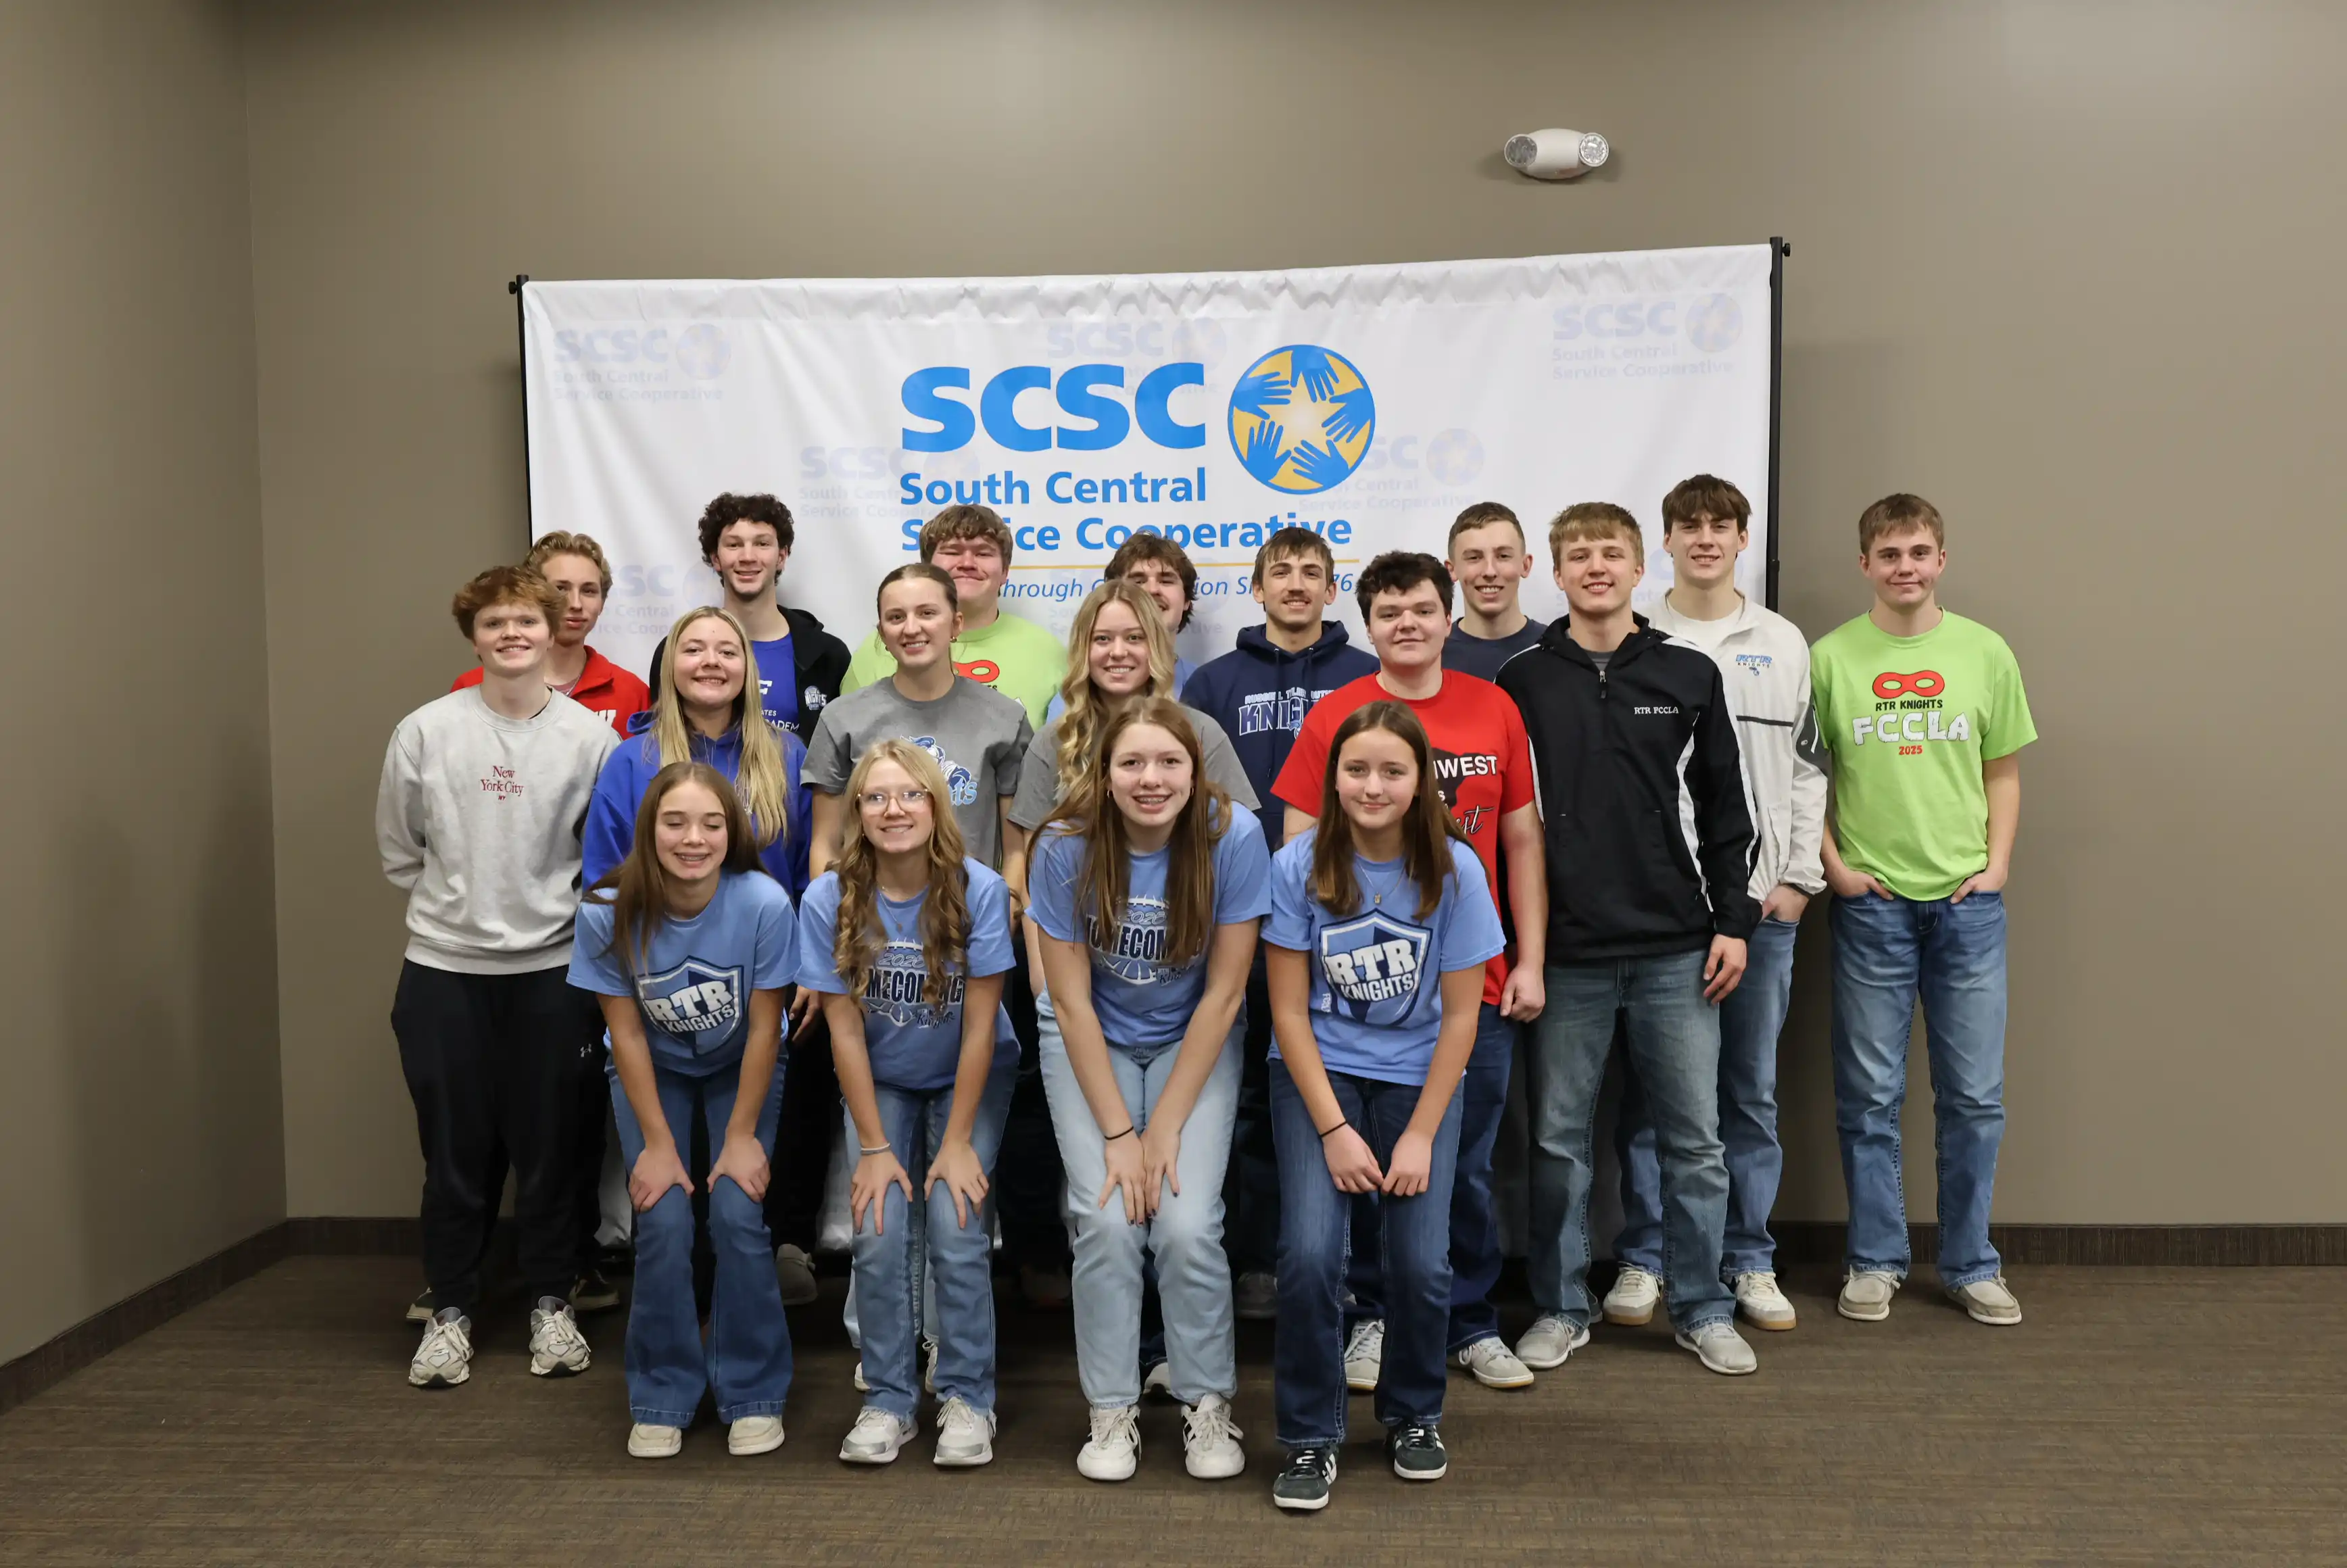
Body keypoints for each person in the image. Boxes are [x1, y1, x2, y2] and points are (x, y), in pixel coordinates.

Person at [1495, 502, 1762, 1378]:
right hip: (1564, 955)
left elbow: (1729, 813)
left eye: (1611, 553)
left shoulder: (1688, 673)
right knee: (1557, 1145)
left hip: (1678, 951)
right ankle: (1562, 1308)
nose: (1596, 567)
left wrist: (1733, 923)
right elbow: (1508, 823)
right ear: (1558, 574)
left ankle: (1703, 1306)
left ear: (1639, 567)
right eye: (1579, 556)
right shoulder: (1522, 680)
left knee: (1694, 1142)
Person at [1271, 553, 1545, 1394]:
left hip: (1466, 987)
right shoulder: (1336, 715)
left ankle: (1464, 1321)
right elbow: (1298, 846)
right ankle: (1369, 1322)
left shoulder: (1493, 704)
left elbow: (1523, 839)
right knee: (1345, 1194)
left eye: (1423, 609)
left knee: (1455, 1172)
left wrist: (1528, 958)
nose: (1408, 625)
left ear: (1446, 613)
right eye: (1389, 612)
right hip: (1345, 1008)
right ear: (1367, 622)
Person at [376, 564, 616, 1390]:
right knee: (452, 1151)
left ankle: (553, 1301)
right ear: (473, 637)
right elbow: (400, 850)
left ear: (554, 631)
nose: (512, 634)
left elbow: (604, 857)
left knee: (550, 1146)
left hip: (554, 972)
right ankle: (451, 1309)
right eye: (494, 624)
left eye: (527, 621)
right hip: (445, 971)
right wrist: (466, 911)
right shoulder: (425, 732)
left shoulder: (590, 737)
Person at [1262, 702, 1505, 1513]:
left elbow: (1464, 1017)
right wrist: (1332, 1129)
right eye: (1357, 769)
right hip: (1317, 1079)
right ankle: (1308, 1434)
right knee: (1307, 1257)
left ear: (1419, 781)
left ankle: (1412, 1413)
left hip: (1417, 1083)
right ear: (1333, 779)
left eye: (1392, 770)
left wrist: (1423, 1136)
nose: (1373, 785)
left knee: (1421, 1264)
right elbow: (1289, 1013)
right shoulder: (1298, 863)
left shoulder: (1456, 870)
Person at [1028, 700, 1268, 1484]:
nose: (1150, 778)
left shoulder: (1231, 836)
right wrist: (1119, 1136)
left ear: (1195, 771)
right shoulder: (1063, 845)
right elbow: (1067, 1003)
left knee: (1188, 1221)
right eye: (1131, 763)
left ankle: (1205, 1400)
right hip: (1088, 1038)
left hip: (1189, 1040)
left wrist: (1161, 1128)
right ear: (1103, 776)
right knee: (1102, 1218)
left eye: (1169, 762)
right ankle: (1111, 1404)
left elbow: (1226, 995)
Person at [1009, 581, 1258, 1333]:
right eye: (1101, 638)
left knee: (1180, 1201)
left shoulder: (1203, 733)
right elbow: (1025, 858)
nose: (1117, 652)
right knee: (1109, 1206)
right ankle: (1121, 1372)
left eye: (1133, 638)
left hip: (1183, 997)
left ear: (1160, 648)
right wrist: (1048, 982)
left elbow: (1225, 851)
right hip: (1083, 984)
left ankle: (1181, 1367)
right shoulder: (1054, 742)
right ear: (1082, 650)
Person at [1811, 493, 2034, 1327]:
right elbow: (1807, 776)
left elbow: (2002, 768)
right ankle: (1874, 1260)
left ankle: (1971, 1262)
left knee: (1974, 1097)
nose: (1904, 567)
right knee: (1868, 1097)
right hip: (1872, 905)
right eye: (1889, 554)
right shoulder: (1830, 658)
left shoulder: (1984, 652)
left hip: (1967, 906)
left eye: (1918, 552)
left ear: (1941, 559)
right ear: (1864, 564)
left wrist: (1997, 864)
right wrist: (1834, 867)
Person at [1610, 475, 1826, 1334]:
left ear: (1742, 538)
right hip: (1663, 913)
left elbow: (1809, 771)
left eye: (1720, 525)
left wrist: (1797, 881)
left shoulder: (1780, 640)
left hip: (1761, 909)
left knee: (1748, 1091)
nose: (1704, 538)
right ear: (1665, 540)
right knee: (1651, 1095)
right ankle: (1645, 1256)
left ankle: (1748, 1257)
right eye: (1688, 525)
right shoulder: (1633, 638)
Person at [799, 563, 1029, 1356]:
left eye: (926, 611)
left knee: (957, 1185)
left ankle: (949, 1344)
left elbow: (1015, 840)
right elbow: (826, 843)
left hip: (969, 940)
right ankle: (883, 1343)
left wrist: (1007, 914)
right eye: (894, 614)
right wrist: (829, 940)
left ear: (955, 619)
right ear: (880, 627)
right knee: (881, 1182)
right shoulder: (848, 717)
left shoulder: (1003, 715)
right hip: (873, 952)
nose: (911, 626)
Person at [798, 741, 1021, 1467]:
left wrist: (957, 1141)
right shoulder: (827, 897)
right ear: (856, 813)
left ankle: (965, 1396)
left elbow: (982, 1025)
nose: (893, 810)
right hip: (882, 1079)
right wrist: (872, 1147)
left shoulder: (978, 888)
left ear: (936, 805)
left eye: (910, 795)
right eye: (874, 797)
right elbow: (842, 1030)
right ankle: (890, 1398)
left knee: (958, 1225)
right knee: (878, 1225)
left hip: (969, 1073)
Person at [444, 528, 648, 1323]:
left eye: (586, 590)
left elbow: (620, 819)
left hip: (571, 939)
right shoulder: (468, 690)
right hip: (470, 946)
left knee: (567, 1114)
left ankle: (570, 1267)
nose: (570, 604)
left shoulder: (625, 692)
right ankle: (473, 1272)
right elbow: (430, 829)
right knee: (477, 1117)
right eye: (555, 589)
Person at [587, 605, 815, 1298]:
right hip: (658, 988)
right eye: (694, 649)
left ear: (750, 669)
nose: (711, 661)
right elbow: (604, 880)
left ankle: (746, 1305)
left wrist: (808, 965)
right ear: (669, 665)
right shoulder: (632, 759)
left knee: (743, 1175)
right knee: (668, 1182)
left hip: (765, 985)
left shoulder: (785, 755)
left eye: (727, 650)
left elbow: (809, 874)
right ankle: (676, 1314)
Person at [569, 763, 797, 1459]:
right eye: (675, 822)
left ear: (732, 833)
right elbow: (627, 1032)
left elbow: (765, 1029)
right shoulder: (606, 908)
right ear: (649, 830)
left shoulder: (763, 902)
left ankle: (753, 1391)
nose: (692, 838)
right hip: (654, 1070)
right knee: (663, 1211)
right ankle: (663, 1392)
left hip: (742, 1068)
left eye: (711, 823)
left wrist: (739, 1139)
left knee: (734, 1206)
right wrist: (659, 1147)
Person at [1181, 526, 1376, 1319]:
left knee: (1345, 1094)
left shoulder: (1367, 678)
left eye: (1312, 573)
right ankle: (1255, 1262)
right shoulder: (1212, 684)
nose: (1295, 584)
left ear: (1333, 591)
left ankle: (1349, 1274)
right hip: (1237, 926)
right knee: (1249, 1101)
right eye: (1280, 573)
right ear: (1256, 590)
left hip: (1351, 925)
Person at [842, 504, 1066, 728]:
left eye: (983, 553)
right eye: (952, 552)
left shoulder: (1047, 652)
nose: (967, 563)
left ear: (1005, 571)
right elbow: (848, 743)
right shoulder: (881, 647)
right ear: (926, 568)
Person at [648, 493, 851, 739]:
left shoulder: (828, 656)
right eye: (734, 545)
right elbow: (661, 745)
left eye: (762, 544)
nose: (747, 557)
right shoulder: (676, 651)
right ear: (716, 559)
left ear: (782, 557)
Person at [451, 531, 652, 737]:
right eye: (561, 589)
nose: (575, 604)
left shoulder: (631, 692)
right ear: (534, 597)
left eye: (589, 591)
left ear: (602, 603)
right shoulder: (472, 686)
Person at [1046, 533, 1200, 722]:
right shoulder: (1075, 698)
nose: (1152, 590)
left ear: (1187, 601)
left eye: (1166, 580)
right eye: (1138, 581)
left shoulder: (1206, 685)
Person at [1439, 502, 1549, 682]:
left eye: (1503, 556)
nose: (1490, 571)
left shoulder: (1556, 649)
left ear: (1525, 565)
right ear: (1452, 570)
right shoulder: (1431, 655)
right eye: (1474, 558)